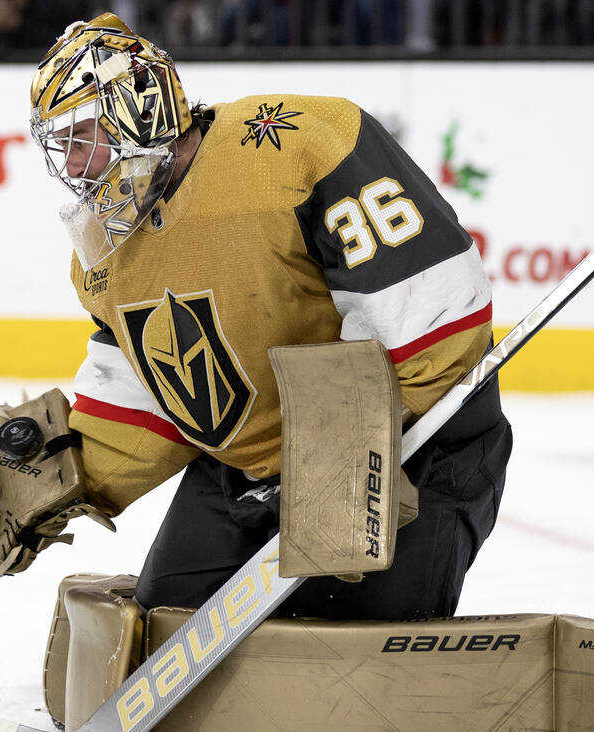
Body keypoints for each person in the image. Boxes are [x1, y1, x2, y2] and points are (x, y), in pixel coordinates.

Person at [28, 12, 512, 620]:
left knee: (355, 664)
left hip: (420, 443)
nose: (72, 167)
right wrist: (57, 482)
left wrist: (344, 456)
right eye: (61, 145)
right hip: (253, 471)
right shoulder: (107, 251)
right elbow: (147, 393)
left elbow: (432, 306)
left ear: (141, 107)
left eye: (81, 136)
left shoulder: (299, 143)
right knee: (164, 638)